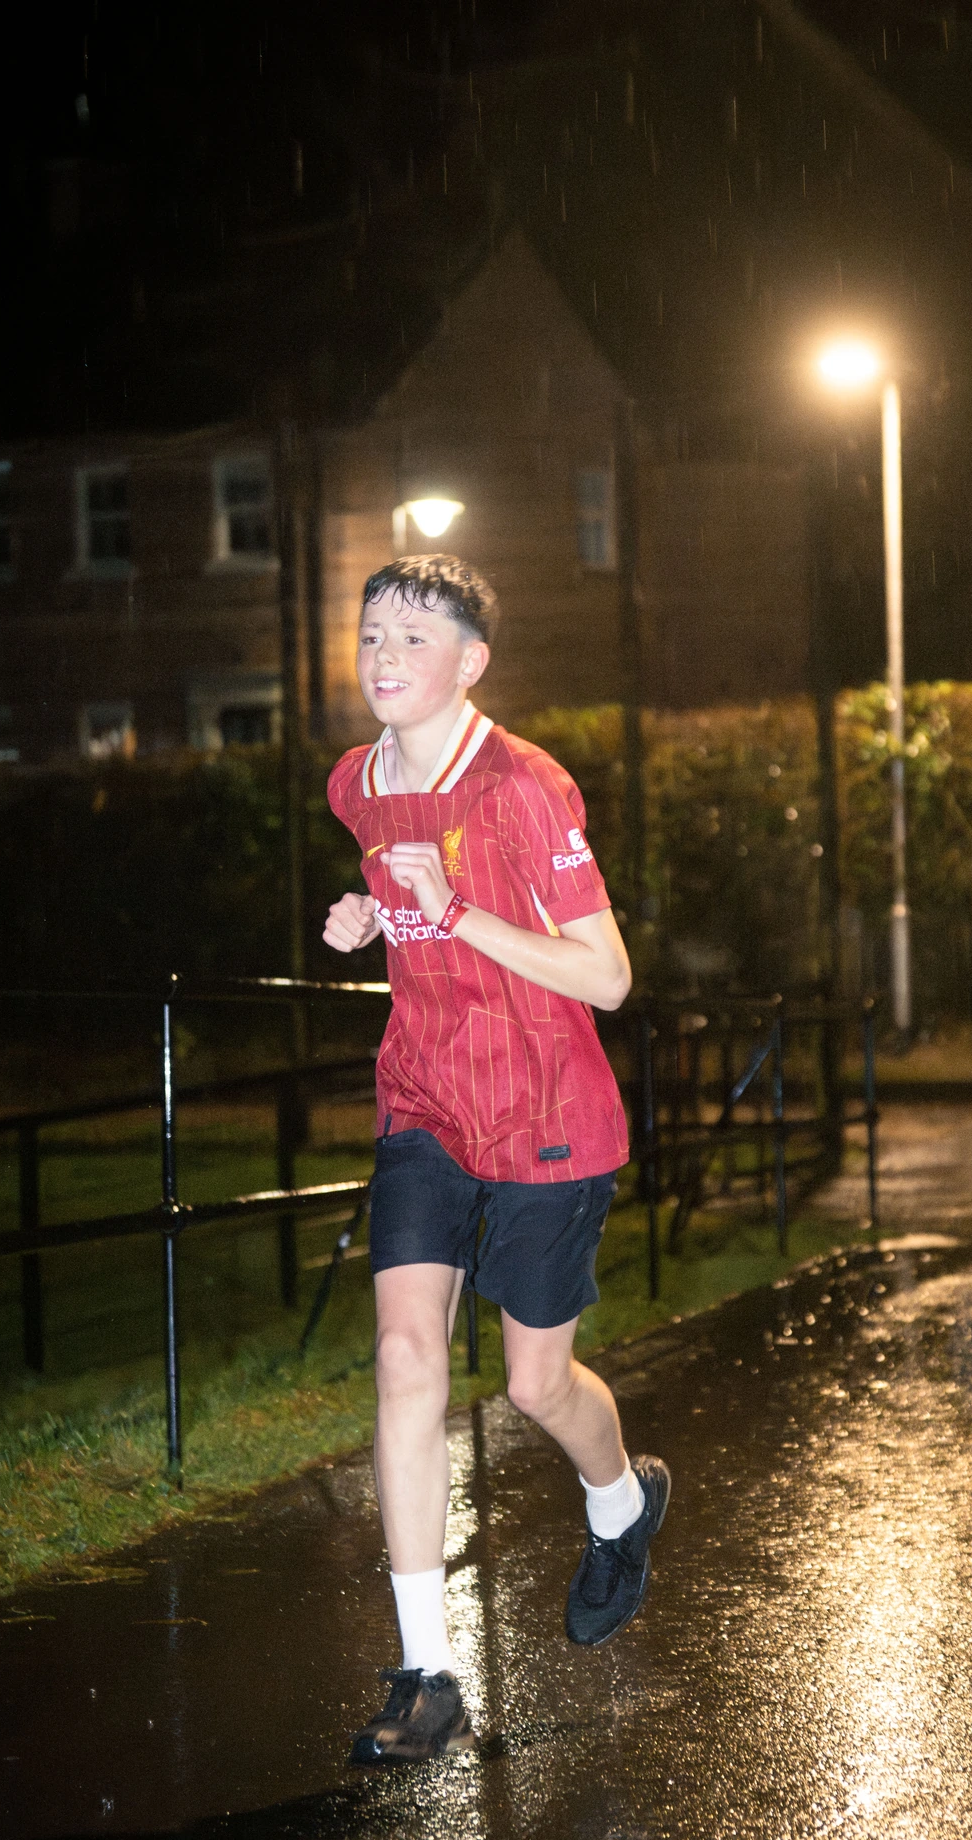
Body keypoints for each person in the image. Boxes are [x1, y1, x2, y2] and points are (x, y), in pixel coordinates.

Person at [322, 554, 670, 1764]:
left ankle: (621, 1503)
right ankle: (426, 1671)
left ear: (471, 662)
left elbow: (610, 976)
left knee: (535, 1387)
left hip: (544, 1110)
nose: (383, 654)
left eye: (414, 637)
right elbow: (403, 894)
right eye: (371, 633)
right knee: (405, 1356)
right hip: (423, 1098)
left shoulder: (524, 789)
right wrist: (370, 916)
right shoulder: (356, 783)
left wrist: (457, 908)